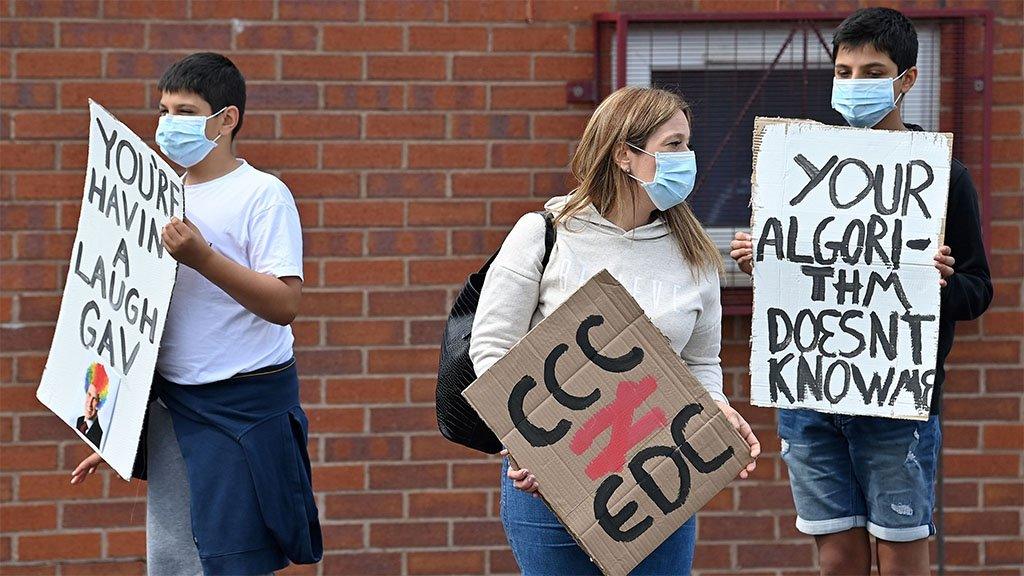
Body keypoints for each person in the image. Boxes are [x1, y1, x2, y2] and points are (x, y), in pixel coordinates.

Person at [729, 8, 992, 575]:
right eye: (844, 71)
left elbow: (978, 290)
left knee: (902, 557)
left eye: (872, 72)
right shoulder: (797, 170)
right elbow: (810, 277)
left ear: (908, 79)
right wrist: (765, 262)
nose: (854, 85)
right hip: (811, 397)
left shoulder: (944, 177)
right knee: (837, 557)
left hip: (897, 403)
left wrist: (940, 283)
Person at [470, 86, 760, 575]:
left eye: (688, 144)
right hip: (549, 484)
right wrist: (521, 443)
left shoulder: (696, 254)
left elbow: (702, 362)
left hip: (657, 486)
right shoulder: (545, 232)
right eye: (673, 145)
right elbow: (493, 348)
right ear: (625, 155)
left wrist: (717, 414)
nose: (687, 158)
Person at [70, 52, 322, 576]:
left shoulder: (262, 195)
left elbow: (284, 303)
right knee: (172, 562)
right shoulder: (158, 196)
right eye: (163, 110)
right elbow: (138, 314)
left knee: (230, 562)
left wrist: (203, 257)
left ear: (226, 119)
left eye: (185, 111)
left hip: (242, 410)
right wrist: (116, 421)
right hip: (172, 410)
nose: (168, 124)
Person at [76, 380, 104, 449]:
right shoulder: (79, 420)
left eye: (95, 399)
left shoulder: (100, 433)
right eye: (89, 395)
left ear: (100, 404)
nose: (89, 403)